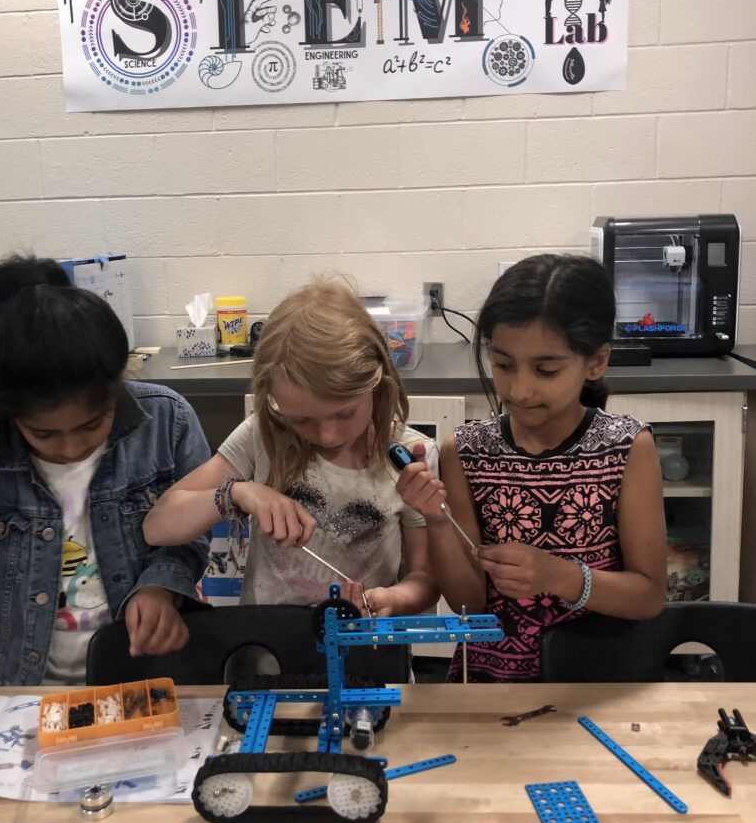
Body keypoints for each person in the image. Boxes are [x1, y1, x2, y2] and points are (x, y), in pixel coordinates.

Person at [0, 256, 211, 686]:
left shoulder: (166, 421)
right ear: (10, 413)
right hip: (21, 691)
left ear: (117, 384)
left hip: (143, 676)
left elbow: (193, 534)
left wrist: (160, 586)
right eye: (43, 434)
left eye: (91, 425)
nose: (70, 448)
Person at [395, 254, 667, 683]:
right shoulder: (466, 451)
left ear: (595, 362)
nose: (518, 390)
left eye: (546, 370)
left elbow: (649, 596)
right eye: (503, 365)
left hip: (598, 681)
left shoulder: (627, 447)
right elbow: (470, 605)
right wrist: (437, 520)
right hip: (491, 683)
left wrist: (559, 576)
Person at [144, 279, 439, 617]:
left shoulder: (410, 457)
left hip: (365, 648)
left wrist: (390, 599)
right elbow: (157, 525)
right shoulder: (264, 434)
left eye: (345, 413)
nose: (327, 436)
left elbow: (425, 579)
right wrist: (238, 492)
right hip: (269, 653)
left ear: (377, 383)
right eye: (302, 420)